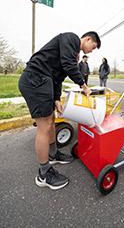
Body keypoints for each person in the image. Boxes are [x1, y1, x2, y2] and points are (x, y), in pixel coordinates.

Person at [18, 31, 101, 190]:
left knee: (51, 121)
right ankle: (44, 174)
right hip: (35, 79)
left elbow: (58, 78)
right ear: (88, 39)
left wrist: (56, 99)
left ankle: (53, 153)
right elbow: (69, 66)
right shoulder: (71, 39)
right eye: (93, 46)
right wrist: (83, 86)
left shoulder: (72, 53)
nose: (92, 50)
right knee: (44, 126)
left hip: (44, 81)